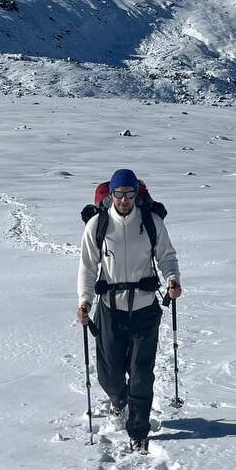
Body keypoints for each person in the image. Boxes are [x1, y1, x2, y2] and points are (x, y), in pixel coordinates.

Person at [77, 168, 182, 452]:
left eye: (129, 194)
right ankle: (118, 398)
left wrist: (173, 280)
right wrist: (85, 301)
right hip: (110, 309)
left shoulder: (151, 222)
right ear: (110, 195)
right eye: (119, 194)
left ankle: (138, 430)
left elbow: (167, 256)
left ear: (137, 194)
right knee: (108, 374)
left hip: (145, 308)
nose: (124, 200)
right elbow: (87, 267)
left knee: (141, 373)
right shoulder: (97, 225)